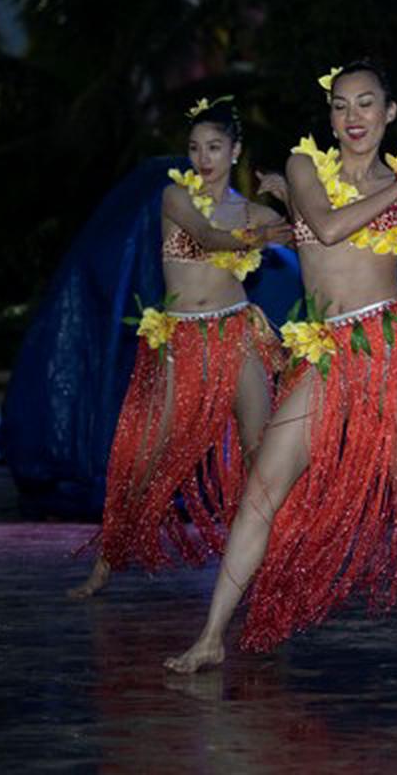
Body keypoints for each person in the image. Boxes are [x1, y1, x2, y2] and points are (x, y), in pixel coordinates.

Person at [165, 62, 397, 674]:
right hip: (325, 351)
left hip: (390, 346)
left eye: (366, 103)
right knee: (263, 489)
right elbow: (329, 229)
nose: (352, 116)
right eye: (341, 105)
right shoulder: (306, 167)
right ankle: (210, 637)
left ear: (389, 113)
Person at [71, 97, 290, 598]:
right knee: (144, 454)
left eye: (214, 147)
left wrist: (290, 198)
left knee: (260, 454)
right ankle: (104, 564)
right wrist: (259, 236)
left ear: (235, 151)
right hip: (183, 339)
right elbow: (209, 237)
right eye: (195, 148)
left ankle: (268, 566)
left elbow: (308, 237)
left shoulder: (253, 210)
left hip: (236, 335)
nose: (203, 158)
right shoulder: (176, 197)